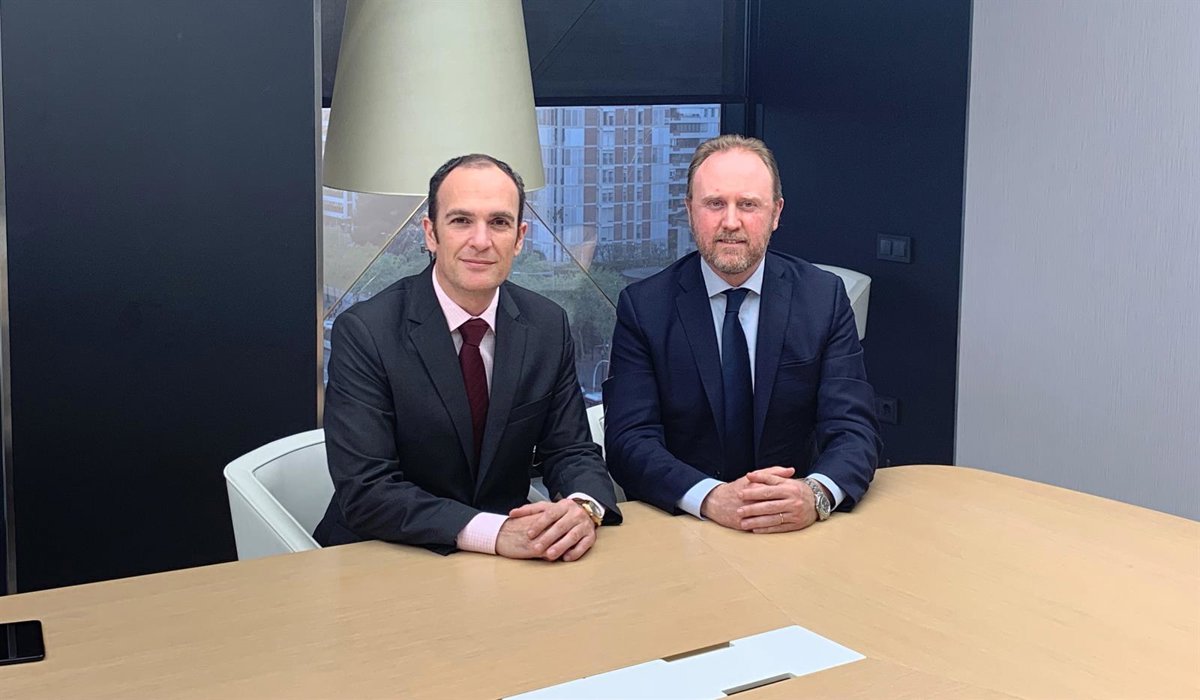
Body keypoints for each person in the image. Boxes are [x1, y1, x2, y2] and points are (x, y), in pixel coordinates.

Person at [314, 154, 620, 560]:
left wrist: (583, 507)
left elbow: (571, 450)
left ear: (519, 237)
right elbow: (367, 489)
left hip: (507, 562)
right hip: (384, 555)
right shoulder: (366, 332)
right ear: (431, 234)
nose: (481, 240)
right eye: (461, 220)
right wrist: (493, 532)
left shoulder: (547, 325)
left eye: (499, 222)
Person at [603, 135, 879, 533]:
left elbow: (854, 429)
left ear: (776, 213)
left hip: (798, 527)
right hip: (688, 529)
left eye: (748, 204)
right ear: (690, 210)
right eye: (715, 203)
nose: (731, 222)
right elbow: (629, 440)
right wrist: (710, 497)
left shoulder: (823, 297)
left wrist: (815, 494)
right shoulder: (645, 307)